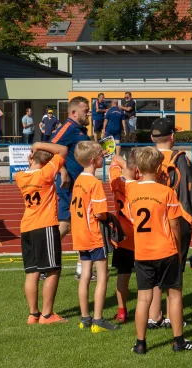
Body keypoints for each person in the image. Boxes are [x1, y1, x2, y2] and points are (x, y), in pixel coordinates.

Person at [127, 147, 192, 354]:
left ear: (139, 169)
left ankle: (140, 343)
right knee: (174, 295)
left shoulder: (132, 191)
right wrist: (177, 248)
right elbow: (175, 224)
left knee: (144, 298)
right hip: (165, 249)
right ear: (160, 167)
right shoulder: (166, 192)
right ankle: (178, 340)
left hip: (142, 252)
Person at [148, 117, 192, 329]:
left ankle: (154, 316)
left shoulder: (146, 158)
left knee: (153, 271)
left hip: (152, 219)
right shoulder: (181, 159)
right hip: (176, 219)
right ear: (173, 136)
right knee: (174, 271)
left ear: (153, 137)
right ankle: (172, 316)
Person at [17, 141, 69, 325]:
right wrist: (39, 143)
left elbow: (33, 165)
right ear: (47, 164)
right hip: (44, 225)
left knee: (32, 272)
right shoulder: (46, 174)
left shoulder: (20, 176)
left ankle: (33, 314)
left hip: (26, 227)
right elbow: (63, 150)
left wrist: (33, 155)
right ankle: (47, 315)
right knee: (53, 270)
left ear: (31, 159)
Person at [71, 141, 119, 333]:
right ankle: (98, 319)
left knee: (85, 275)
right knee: (102, 276)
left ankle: (85, 318)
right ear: (93, 160)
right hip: (94, 235)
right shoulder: (94, 183)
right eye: (101, 154)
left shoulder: (79, 180)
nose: (103, 156)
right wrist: (110, 219)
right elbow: (100, 213)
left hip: (80, 235)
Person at [50, 96, 92, 281]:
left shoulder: (81, 129)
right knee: (73, 225)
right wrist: (62, 170)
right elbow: (49, 148)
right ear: (74, 112)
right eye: (86, 110)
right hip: (70, 186)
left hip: (80, 185)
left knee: (69, 225)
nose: (89, 113)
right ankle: (52, 263)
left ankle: (76, 267)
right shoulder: (67, 128)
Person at [109, 151, 138, 323]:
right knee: (146, 275)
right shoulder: (140, 184)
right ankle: (150, 309)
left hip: (122, 234)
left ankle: (122, 311)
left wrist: (121, 158)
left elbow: (114, 160)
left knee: (123, 273)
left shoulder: (115, 180)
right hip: (141, 235)